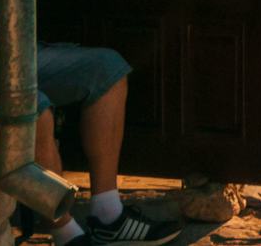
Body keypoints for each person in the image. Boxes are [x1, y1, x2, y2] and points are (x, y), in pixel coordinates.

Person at [33, 43, 178, 244]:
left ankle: (108, 214)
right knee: (32, 108)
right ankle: (66, 234)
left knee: (108, 69)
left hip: (15, 49)